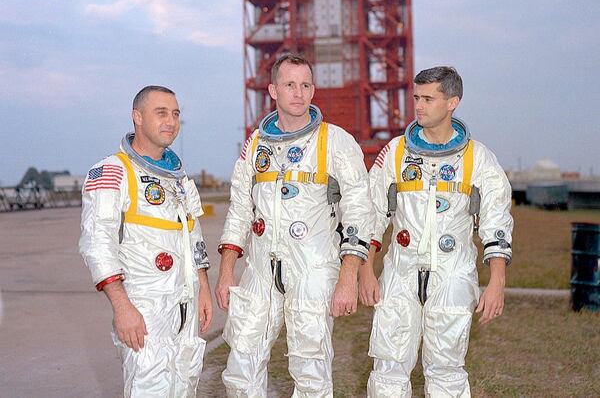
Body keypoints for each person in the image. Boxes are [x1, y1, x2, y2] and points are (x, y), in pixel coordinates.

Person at [215, 54, 374, 397]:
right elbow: (240, 208)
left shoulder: (335, 141)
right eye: (290, 84)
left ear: (313, 90)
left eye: (305, 85)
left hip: (313, 269)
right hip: (260, 270)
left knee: (310, 367)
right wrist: (227, 270)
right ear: (273, 90)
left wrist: (348, 277)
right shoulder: (256, 144)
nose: (298, 93)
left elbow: (360, 213)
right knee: (242, 362)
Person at [360, 66, 513, 397]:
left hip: (452, 274)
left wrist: (496, 282)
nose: (419, 105)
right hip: (400, 273)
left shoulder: (478, 159)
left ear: (453, 102)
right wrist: (366, 270)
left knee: (446, 371)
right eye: (416, 97)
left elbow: (496, 223)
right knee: (387, 367)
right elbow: (372, 213)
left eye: (428, 98)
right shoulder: (396, 153)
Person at [79, 85, 212, 397]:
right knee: (149, 389)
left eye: (176, 114)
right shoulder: (113, 170)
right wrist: (122, 306)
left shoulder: (179, 179)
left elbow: (192, 233)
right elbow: (97, 242)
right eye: (161, 113)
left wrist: (202, 287)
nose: (171, 121)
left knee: (185, 386)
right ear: (137, 117)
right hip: (144, 309)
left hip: (184, 305)